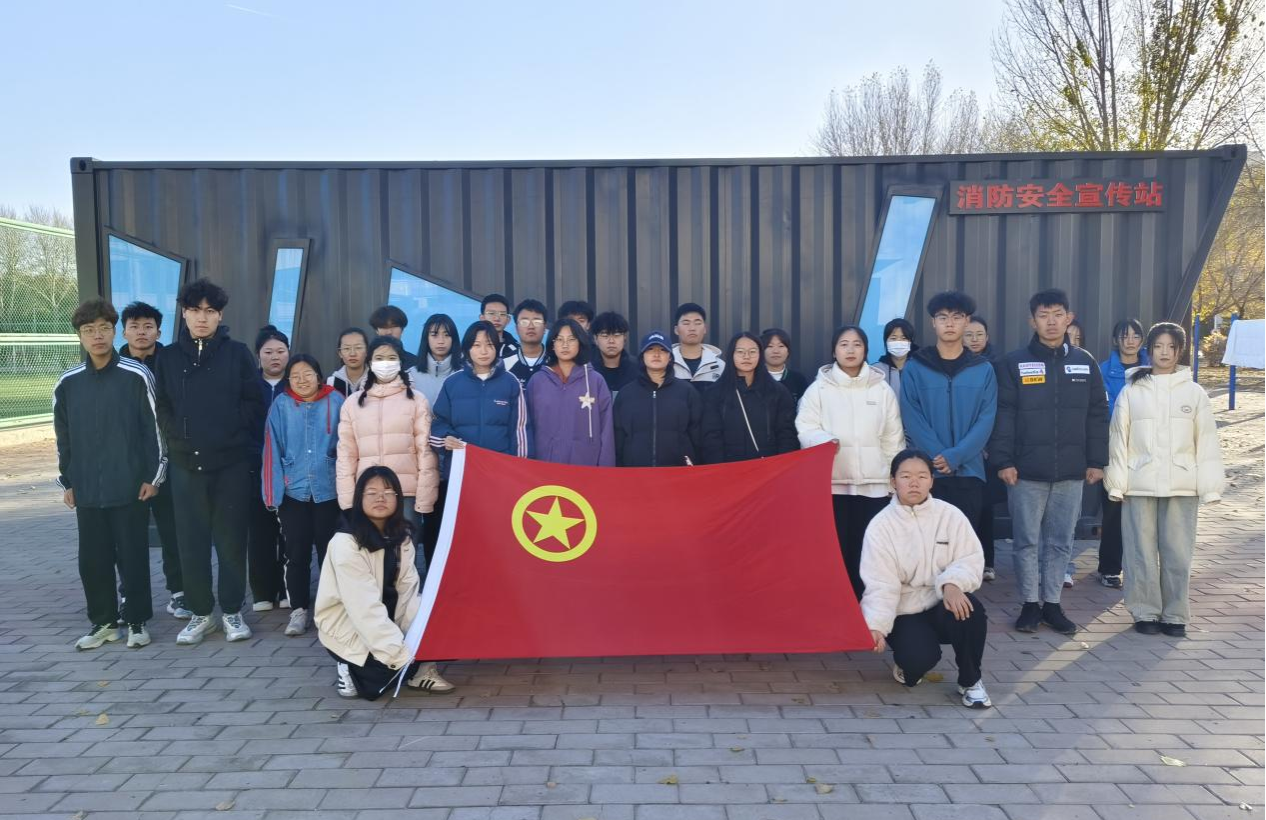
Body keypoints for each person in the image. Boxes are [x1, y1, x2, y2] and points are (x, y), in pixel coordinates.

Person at [990, 288, 1109, 636]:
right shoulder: (1013, 363)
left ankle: (1053, 604)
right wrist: (1004, 461)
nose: (1051, 322)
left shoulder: (1084, 362)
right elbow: (1004, 415)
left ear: (1069, 318)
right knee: (1025, 541)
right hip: (1025, 472)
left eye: (1058, 314)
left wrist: (1097, 460)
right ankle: (1030, 603)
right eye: (1044, 315)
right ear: (1033, 321)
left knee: (1060, 542)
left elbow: (1098, 414)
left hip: (1071, 471)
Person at [154, 278, 264, 646]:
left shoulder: (238, 354)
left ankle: (232, 611)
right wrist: (178, 436)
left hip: (231, 464)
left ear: (220, 316)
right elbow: (162, 405)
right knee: (191, 543)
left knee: (231, 541)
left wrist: (229, 431)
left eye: (210, 311)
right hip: (186, 465)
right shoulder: (168, 357)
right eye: (194, 310)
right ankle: (201, 613)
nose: (202, 318)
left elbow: (253, 402)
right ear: (184, 314)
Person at [56, 298, 166, 650]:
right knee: (92, 560)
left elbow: (154, 430)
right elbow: (63, 437)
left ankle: (136, 621)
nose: (97, 336)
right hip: (87, 489)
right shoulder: (68, 382)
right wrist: (68, 481)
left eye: (104, 328)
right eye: (89, 330)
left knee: (132, 557)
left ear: (114, 331)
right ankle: (104, 622)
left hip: (131, 486)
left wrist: (153, 476)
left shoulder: (137, 375)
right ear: (80, 336)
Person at [1106, 323, 1224, 638]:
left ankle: (1175, 614)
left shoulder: (1194, 393)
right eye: (1158, 346)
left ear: (1180, 351)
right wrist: (1117, 482)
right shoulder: (1132, 391)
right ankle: (1145, 611)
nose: (1164, 353)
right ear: (1150, 349)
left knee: (1178, 552)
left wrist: (1210, 487)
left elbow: (1207, 442)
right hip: (1139, 482)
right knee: (1140, 552)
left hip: (1182, 484)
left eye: (1171, 347)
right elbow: (1119, 440)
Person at [861, 450, 991, 708]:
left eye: (922, 476)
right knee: (916, 662)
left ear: (932, 480)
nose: (914, 483)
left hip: (942, 601)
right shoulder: (880, 526)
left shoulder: (950, 515)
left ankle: (971, 680)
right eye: (905, 476)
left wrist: (952, 583)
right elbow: (880, 584)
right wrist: (876, 626)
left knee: (971, 610)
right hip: (905, 609)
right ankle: (908, 664)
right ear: (893, 481)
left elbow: (971, 558)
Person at [314, 466, 454, 699]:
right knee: (377, 681)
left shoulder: (401, 537)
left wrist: (424, 640)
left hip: (388, 615)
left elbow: (408, 592)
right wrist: (403, 656)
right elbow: (363, 609)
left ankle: (421, 672)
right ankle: (346, 665)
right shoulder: (346, 543)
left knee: (444, 623)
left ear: (398, 499)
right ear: (359, 499)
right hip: (350, 623)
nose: (380, 498)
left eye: (389, 492)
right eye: (371, 493)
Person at [795, 325, 905, 598]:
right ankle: (841, 605)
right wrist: (824, 440)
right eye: (844, 344)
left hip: (875, 485)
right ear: (834, 351)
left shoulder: (882, 390)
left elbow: (893, 438)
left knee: (870, 550)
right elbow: (805, 427)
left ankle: (870, 607)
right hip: (834, 485)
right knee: (838, 550)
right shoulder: (819, 389)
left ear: (866, 350)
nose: (850, 350)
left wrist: (893, 479)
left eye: (857, 344)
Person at [900, 291, 997, 584]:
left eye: (957, 317)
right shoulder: (916, 367)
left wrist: (956, 455)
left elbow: (986, 419)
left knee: (963, 543)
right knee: (928, 544)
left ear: (966, 321)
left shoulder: (983, 369)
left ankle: (958, 596)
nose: (950, 323)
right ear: (933, 323)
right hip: (929, 473)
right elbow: (911, 414)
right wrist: (938, 455)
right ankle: (929, 599)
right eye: (943, 317)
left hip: (969, 472)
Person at [263, 354, 344, 637]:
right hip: (294, 492)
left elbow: (347, 446)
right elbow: (271, 449)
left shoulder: (336, 401)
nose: (302, 380)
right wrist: (272, 494)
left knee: (330, 554)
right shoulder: (281, 405)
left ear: (319, 376)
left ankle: (332, 609)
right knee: (295, 554)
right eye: (295, 376)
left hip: (329, 492)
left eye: (307, 374)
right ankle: (298, 609)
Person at [118, 301, 188, 618]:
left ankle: (180, 592)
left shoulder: (172, 362)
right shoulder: (114, 366)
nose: (141, 332)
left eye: (148, 326)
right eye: (134, 326)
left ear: (159, 332)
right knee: (127, 534)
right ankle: (129, 595)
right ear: (124, 332)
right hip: (128, 463)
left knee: (172, 529)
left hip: (169, 460)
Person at [337, 336, 440, 533]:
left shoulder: (417, 400)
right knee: (371, 549)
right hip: (368, 492)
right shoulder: (353, 403)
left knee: (405, 549)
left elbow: (425, 452)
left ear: (400, 362)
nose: (385, 363)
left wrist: (425, 497)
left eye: (391, 358)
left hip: (406, 493)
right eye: (379, 358)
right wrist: (348, 499)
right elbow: (346, 455)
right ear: (370, 362)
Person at [432, 320, 532, 468]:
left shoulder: (511, 382)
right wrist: (445, 438)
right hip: (461, 467)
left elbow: (520, 430)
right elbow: (438, 422)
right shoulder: (452, 382)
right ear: (467, 349)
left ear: (496, 347)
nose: (483, 351)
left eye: (489, 345)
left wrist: (518, 466)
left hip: (500, 467)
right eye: (477, 345)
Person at [1096, 319, 1148, 589]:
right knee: (1113, 511)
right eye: (1124, 336)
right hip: (1113, 448)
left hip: (1146, 450)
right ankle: (1109, 568)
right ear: (1116, 340)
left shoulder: (1153, 370)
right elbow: (1099, 410)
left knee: (1144, 513)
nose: (1130, 341)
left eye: (1135, 335)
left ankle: (1141, 569)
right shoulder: (1103, 370)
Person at [526, 318, 615, 466]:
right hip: (545, 467)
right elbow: (526, 428)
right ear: (552, 344)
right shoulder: (537, 382)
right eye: (559, 339)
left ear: (580, 343)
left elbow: (607, 431)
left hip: (586, 468)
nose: (565, 345)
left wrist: (605, 469)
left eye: (571, 339)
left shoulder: (595, 381)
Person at [701, 332, 799, 463]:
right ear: (731, 355)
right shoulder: (715, 393)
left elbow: (787, 434)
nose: (746, 356)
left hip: (768, 467)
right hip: (729, 468)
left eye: (752, 352)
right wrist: (720, 468)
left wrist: (781, 465)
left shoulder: (778, 392)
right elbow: (711, 437)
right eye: (740, 352)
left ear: (760, 355)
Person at [613, 331, 702, 467]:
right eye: (650, 349)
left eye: (662, 350)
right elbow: (618, 436)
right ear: (642, 356)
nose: (656, 354)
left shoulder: (687, 392)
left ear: (670, 357)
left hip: (678, 471)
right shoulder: (626, 394)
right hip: (635, 472)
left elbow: (697, 434)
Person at [248, 325, 290, 612]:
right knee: (260, 533)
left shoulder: (296, 384)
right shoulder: (248, 386)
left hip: (289, 470)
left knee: (289, 533)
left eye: (280, 351)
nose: (275, 357)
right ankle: (262, 591)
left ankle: (287, 589)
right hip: (255, 469)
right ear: (258, 355)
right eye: (268, 352)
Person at [962, 315, 1003, 581]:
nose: (974, 339)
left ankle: (987, 561)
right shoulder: (956, 366)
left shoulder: (997, 367)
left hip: (987, 449)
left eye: (979, 334)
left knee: (986, 508)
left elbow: (998, 409)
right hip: (962, 446)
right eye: (969, 335)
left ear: (987, 337)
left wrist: (989, 443)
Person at [412, 313, 464, 407]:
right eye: (434, 335)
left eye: (447, 335)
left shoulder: (465, 374)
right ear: (426, 338)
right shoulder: (411, 376)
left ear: (454, 339)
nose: (441, 341)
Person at [671, 302, 724, 390]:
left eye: (698, 323)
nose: (692, 328)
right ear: (676, 330)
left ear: (705, 329)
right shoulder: (666, 364)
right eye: (686, 323)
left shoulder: (720, 366)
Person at [591, 311, 639, 395]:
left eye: (616, 335)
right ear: (595, 339)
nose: (611, 341)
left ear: (624, 338)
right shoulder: (588, 369)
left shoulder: (638, 368)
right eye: (605, 336)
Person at [760, 328, 810, 404]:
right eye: (770, 346)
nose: (776, 351)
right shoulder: (754, 377)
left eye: (781, 346)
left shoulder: (798, 379)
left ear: (788, 351)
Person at [504, 299, 549, 384]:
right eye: (524, 322)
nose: (531, 326)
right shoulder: (503, 364)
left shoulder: (556, 362)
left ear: (545, 327)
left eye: (537, 322)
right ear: (516, 328)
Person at [873, 318, 917, 399]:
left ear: (910, 342)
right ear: (886, 341)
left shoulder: (920, 369)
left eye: (904, 338)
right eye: (893, 338)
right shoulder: (876, 370)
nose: (899, 342)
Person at [369, 305, 419, 370]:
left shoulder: (415, 363)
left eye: (394, 326)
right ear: (376, 330)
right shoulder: (365, 361)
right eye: (384, 327)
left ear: (402, 329)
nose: (389, 332)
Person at [328, 327, 370, 398]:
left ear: (367, 351)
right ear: (340, 353)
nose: (352, 354)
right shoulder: (330, 383)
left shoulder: (376, 380)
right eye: (347, 348)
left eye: (358, 347)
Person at [480, 293, 518, 358]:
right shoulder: (471, 346)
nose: (497, 318)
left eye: (502, 314)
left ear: (508, 320)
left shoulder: (516, 350)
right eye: (491, 313)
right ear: (482, 318)